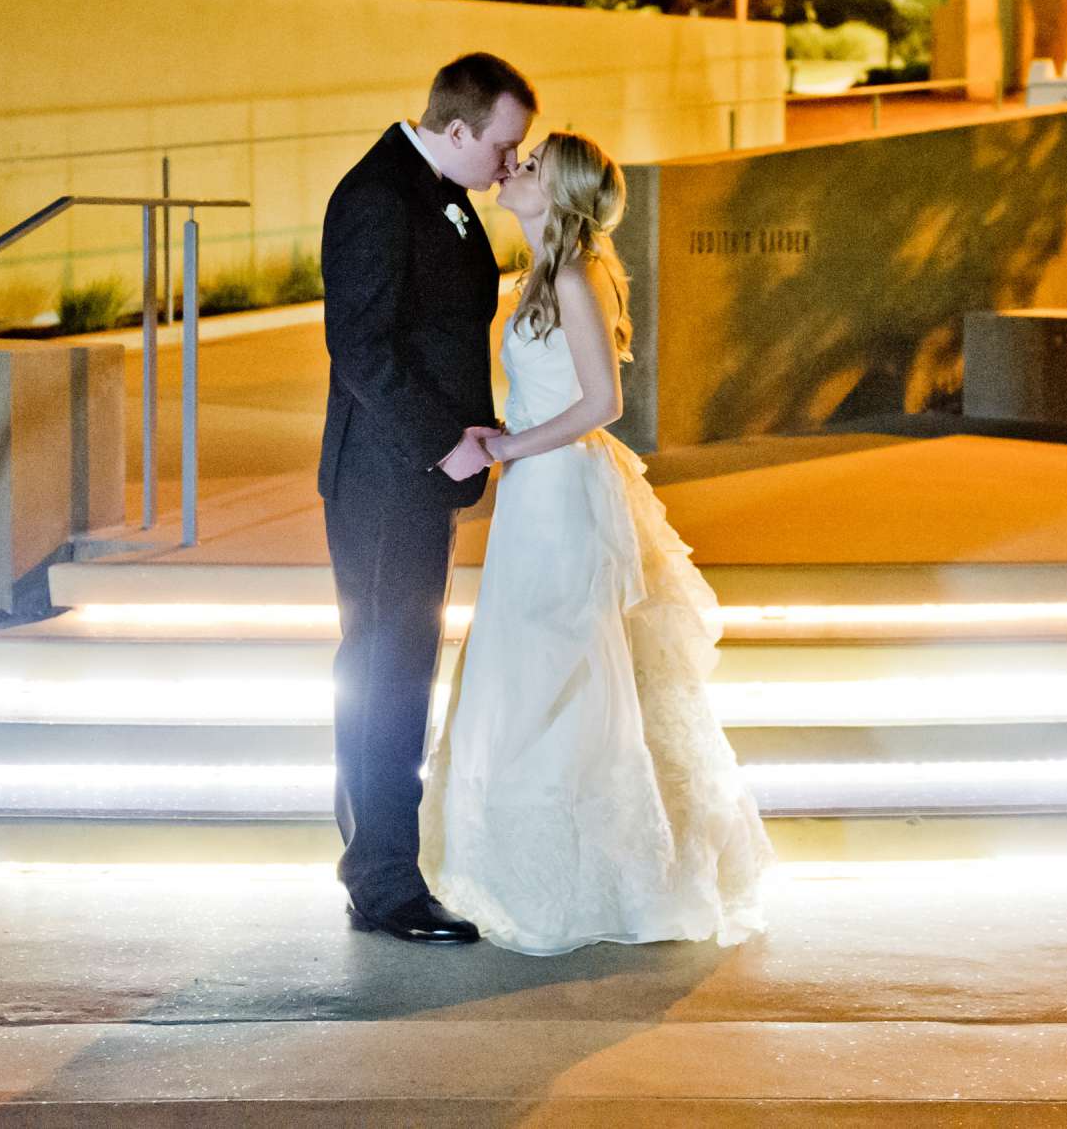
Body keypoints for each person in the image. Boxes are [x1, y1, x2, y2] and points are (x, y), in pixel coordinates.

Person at [419, 131, 772, 955]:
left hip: (560, 495)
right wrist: (514, 439)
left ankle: (600, 882)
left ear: (562, 194)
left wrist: (510, 446)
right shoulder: (544, 275)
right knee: (532, 670)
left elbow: (604, 403)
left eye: (532, 165)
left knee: (564, 671)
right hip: (536, 493)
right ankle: (527, 871)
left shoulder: (574, 278)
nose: (515, 167)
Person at [320, 52, 535, 945]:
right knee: (386, 673)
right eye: (502, 145)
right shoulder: (378, 196)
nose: (510, 164)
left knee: (398, 667)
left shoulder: (434, 189)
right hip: (384, 478)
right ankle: (383, 884)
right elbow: (361, 348)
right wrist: (444, 441)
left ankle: (380, 860)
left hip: (415, 478)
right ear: (457, 131)